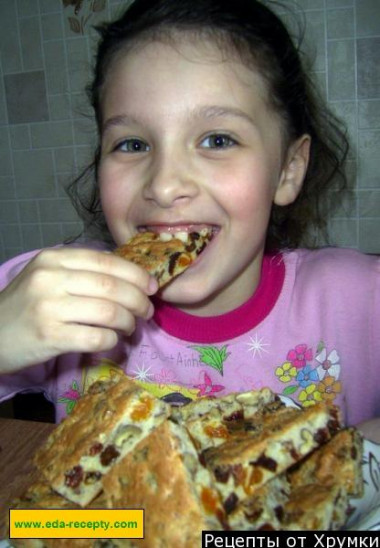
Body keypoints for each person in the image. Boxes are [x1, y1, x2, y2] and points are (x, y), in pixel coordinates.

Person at [0, 0, 379, 440]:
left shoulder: (357, 300)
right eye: (133, 144)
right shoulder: (52, 292)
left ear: (288, 169)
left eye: (217, 139)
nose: (164, 185)